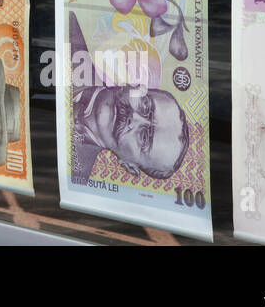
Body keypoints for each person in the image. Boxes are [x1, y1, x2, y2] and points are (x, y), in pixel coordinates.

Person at [68, 12, 190, 184]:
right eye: (146, 106)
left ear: (129, 166)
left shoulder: (75, 177)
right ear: (139, 86)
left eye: (144, 138)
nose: (134, 117)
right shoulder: (70, 32)